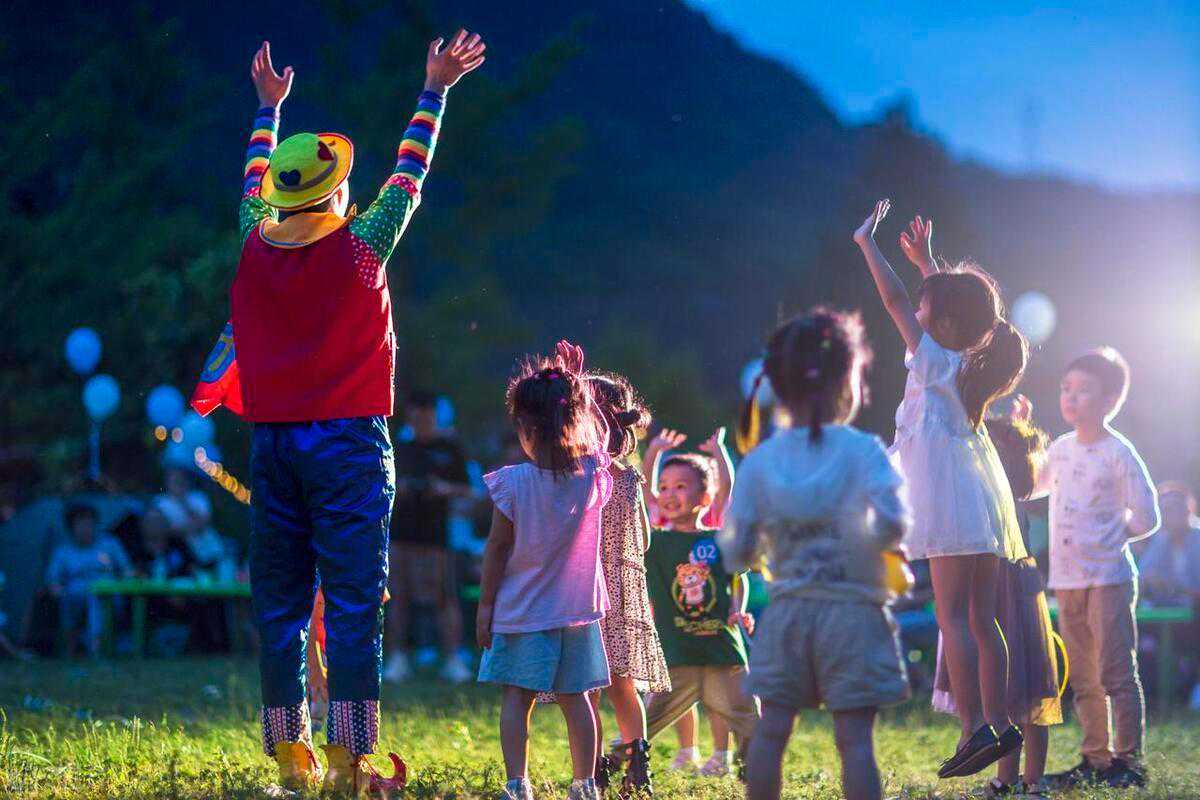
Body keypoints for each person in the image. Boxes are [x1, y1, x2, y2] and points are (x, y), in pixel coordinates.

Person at [195, 34, 486, 794]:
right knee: (356, 602)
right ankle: (353, 760)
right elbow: (409, 174)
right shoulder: (361, 247)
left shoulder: (252, 243)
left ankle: (292, 757)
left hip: (272, 446)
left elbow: (252, 177)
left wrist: (268, 110)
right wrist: (435, 90)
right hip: (350, 445)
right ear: (335, 199)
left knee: (280, 603)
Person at [856, 204, 1027, 778]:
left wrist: (867, 244)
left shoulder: (933, 361)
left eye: (927, 307)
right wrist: (928, 263)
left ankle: (975, 727)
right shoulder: (965, 364)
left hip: (948, 502)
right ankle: (998, 721)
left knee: (951, 615)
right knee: (982, 618)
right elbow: (947, 306)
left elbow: (894, 301)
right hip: (977, 500)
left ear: (945, 323)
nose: (917, 310)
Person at [720, 308, 910, 800]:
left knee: (771, 733)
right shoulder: (864, 450)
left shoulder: (761, 460)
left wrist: (766, 549)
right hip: (855, 614)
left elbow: (736, 549)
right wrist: (865, 545)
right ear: (848, 382)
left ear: (778, 387)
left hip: (788, 614)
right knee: (856, 741)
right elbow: (893, 523)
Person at [475, 342, 613, 800]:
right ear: (574, 420)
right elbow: (603, 441)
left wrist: (486, 607)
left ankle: (518, 783)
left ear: (527, 429)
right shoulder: (590, 477)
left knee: (518, 697)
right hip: (575, 613)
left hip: (523, 611)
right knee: (577, 700)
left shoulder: (513, 483)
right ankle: (584, 784)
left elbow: (497, 549)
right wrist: (579, 388)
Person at [1032, 347, 1160, 789]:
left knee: (1116, 672)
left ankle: (1128, 761)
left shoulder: (1117, 452)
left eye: (1084, 390)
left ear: (1110, 400)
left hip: (1108, 577)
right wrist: (1020, 437)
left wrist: (1111, 535)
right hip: (1067, 579)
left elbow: (1147, 515)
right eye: (1066, 388)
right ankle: (1095, 757)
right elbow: (1032, 486)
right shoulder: (1060, 450)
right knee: (1084, 676)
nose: (1071, 398)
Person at [544, 371, 671, 795]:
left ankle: (593, 768)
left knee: (588, 689)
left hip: (583, 593)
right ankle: (638, 770)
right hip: (620, 592)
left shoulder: (572, 475)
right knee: (623, 687)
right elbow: (644, 540)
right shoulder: (628, 478)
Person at [935, 410, 1064, 798]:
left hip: (999, 591)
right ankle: (1027, 780)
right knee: (1027, 688)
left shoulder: (985, 494)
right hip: (1020, 586)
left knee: (1010, 689)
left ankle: (1011, 781)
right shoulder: (1017, 491)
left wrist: (1013, 431)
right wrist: (1020, 432)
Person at [643, 447, 760, 779]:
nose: (669, 494)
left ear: (705, 497)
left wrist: (738, 611)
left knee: (748, 715)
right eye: (664, 487)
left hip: (722, 648)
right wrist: (653, 453)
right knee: (645, 719)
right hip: (675, 650)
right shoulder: (657, 542)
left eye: (681, 486)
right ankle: (622, 759)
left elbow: (738, 577)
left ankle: (753, 766)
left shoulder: (720, 539)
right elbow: (645, 495)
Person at [385, 390, 474, 684]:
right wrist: (401, 488)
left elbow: (468, 490)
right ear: (410, 417)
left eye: (428, 416)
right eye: (417, 416)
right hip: (401, 534)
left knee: (444, 596)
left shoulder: (450, 448)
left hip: (436, 536)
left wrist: (443, 489)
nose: (422, 421)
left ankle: (453, 659)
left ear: (435, 416)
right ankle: (398, 658)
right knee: (398, 595)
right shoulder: (399, 447)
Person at [1137, 482, 1200, 709]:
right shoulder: (1160, 540)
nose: (1168, 516)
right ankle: (1155, 696)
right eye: (1164, 510)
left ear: (1187, 511)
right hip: (1168, 615)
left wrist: (1176, 588)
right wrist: (1150, 583)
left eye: (1173, 509)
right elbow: (1142, 577)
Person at [45, 503, 133, 657]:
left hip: (109, 593)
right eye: (81, 524)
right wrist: (59, 592)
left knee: (96, 597)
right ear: (71, 527)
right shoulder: (63, 552)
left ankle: (96, 648)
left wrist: (125, 581)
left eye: (89, 524)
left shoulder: (110, 544)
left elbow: (127, 570)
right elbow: (53, 581)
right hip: (74, 596)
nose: (86, 528)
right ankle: (75, 648)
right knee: (79, 599)